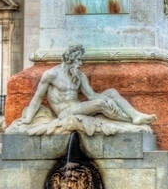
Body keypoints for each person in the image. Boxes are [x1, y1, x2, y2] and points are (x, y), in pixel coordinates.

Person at [17, 44, 156, 127]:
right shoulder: (51, 75)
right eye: (78, 59)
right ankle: (129, 121)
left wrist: (108, 98)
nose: (80, 63)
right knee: (101, 103)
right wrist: (28, 118)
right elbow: (37, 97)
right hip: (65, 112)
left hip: (78, 107)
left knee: (112, 92)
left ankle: (136, 115)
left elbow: (91, 95)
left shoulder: (79, 75)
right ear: (70, 59)